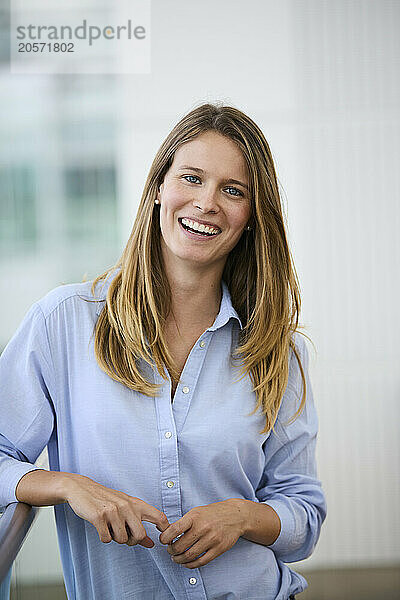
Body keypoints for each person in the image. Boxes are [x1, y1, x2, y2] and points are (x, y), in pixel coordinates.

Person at [0, 103, 327, 600]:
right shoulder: (62, 322)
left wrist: (241, 517)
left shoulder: (277, 349)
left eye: (233, 190)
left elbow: (303, 512)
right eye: (191, 178)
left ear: (251, 218)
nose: (206, 202)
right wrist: (66, 486)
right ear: (158, 189)